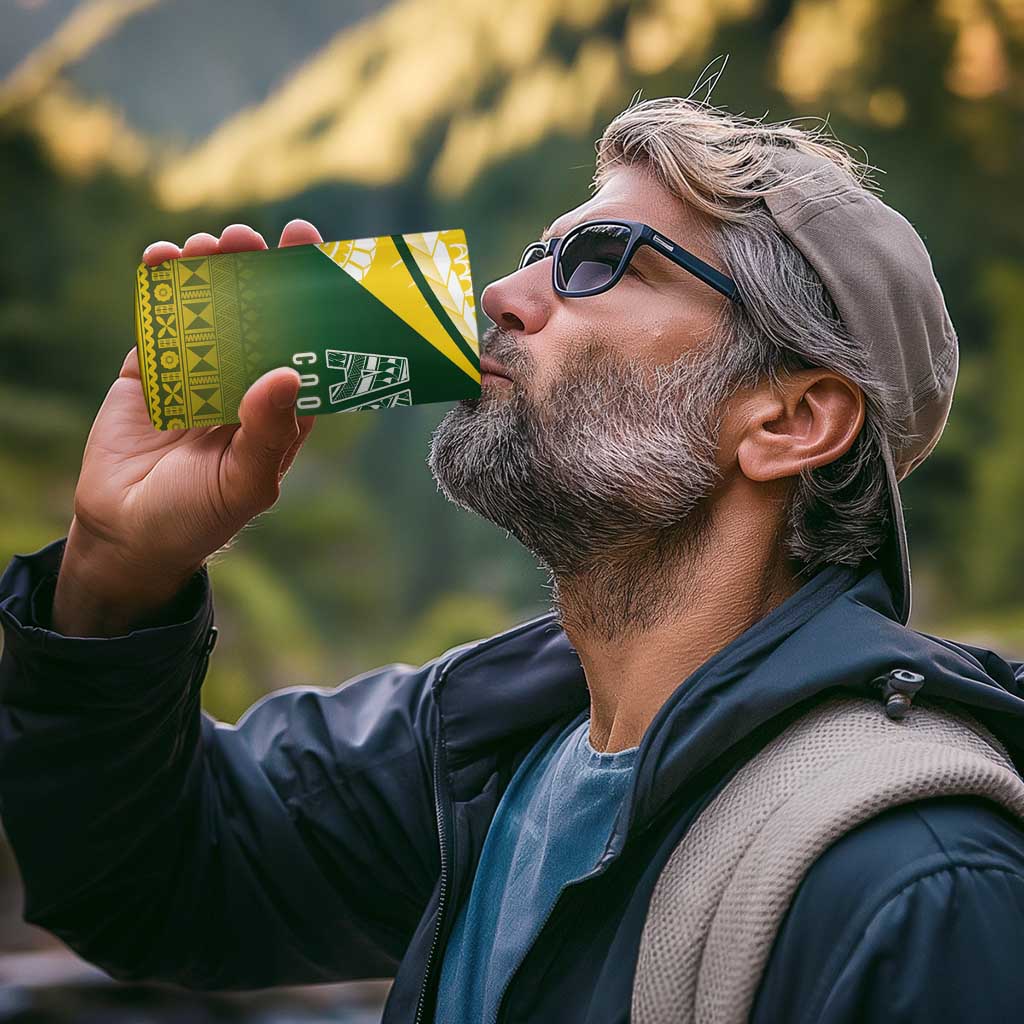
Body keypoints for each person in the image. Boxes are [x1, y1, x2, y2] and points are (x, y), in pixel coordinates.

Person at [2, 95, 1024, 1024]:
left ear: (791, 419)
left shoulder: (918, 884)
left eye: (600, 261)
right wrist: (116, 571)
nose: (502, 291)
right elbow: (149, 880)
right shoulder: (479, 749)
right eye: (540, 252)